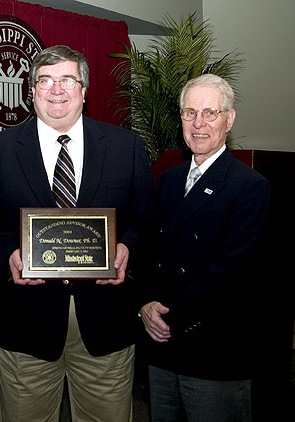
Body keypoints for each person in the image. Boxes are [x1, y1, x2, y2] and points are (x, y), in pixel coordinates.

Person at [0, 45, 155, 422]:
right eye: (45, 81)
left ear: (84, 89)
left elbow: (147, 219)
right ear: (31, 91)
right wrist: (8, 254)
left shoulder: (125, 147)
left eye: (67, 79)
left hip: (105, 321)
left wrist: (128, 247)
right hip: (25, 323)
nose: (56, 90)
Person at [139, 74, 270, 422]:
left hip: (213, 351)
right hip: (162, 346)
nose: (198, 123)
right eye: (189, 112)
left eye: (210, 113)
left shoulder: (249, 187)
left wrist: (168, 314)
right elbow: (153, 254)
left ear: (229, 119)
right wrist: (146, 305)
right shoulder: (167, 180)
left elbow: (233, 274)